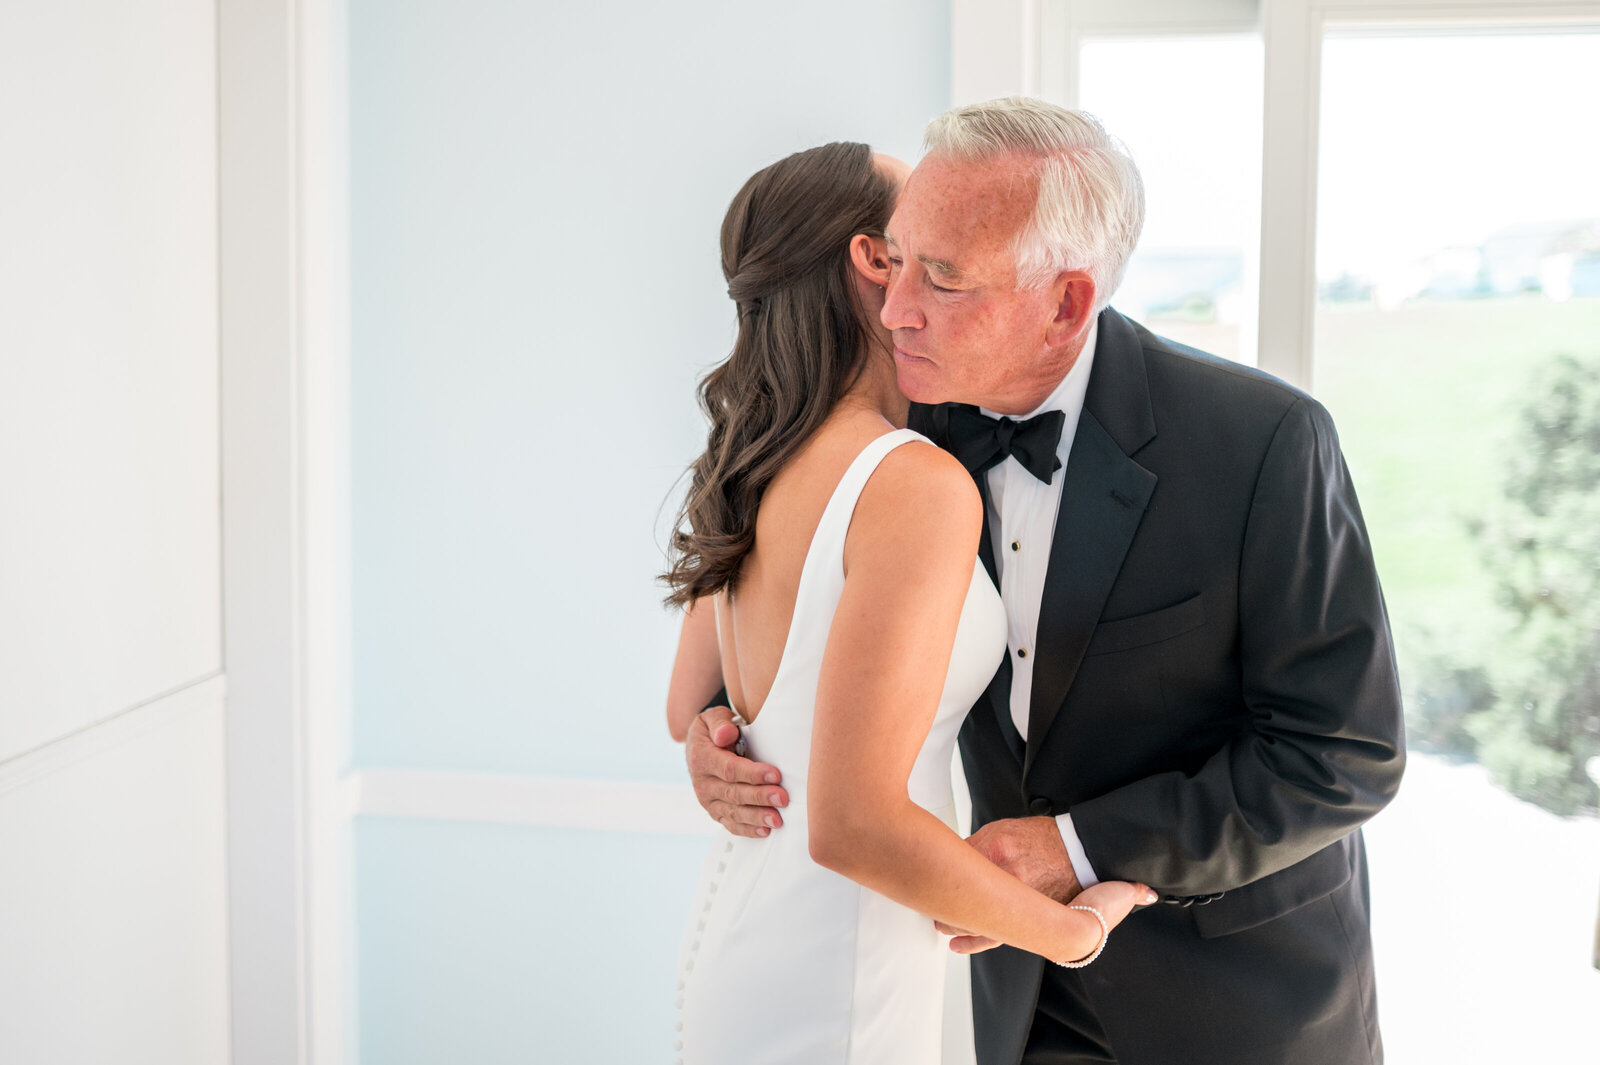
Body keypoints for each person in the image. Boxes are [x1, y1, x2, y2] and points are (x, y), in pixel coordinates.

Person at [685, 99, 1406, 1065]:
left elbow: (1344, 752)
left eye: (940, 279)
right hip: (1015, 1001)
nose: (898, 307)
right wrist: (717, 736)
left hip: (1241, 1004)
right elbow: (802, 646)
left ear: (1066, 303)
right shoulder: (902, 447)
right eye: (897, 262)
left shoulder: (1263, 441)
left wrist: (1074, 848)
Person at [662, 140, 1156, 1065]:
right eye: (914, 229)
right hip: (845, 970)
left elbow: (689, 703)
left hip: (741, 932)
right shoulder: (908, 483)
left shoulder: (757, 460)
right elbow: (854, 823)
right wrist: (1072, 935)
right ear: (874, 259)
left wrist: (714, 744)